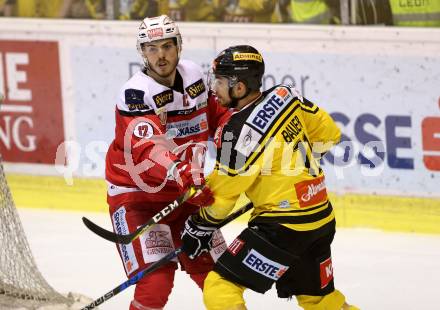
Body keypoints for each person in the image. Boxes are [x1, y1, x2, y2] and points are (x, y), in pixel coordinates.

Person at [181, 45, 359, 310]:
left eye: (218, 81)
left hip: (282, 230)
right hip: (320, 218)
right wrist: (288, 174)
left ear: (238, 87)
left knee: (220, 288)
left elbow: (223, 197)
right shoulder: (286, 95)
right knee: (320, 301)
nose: (213, 88)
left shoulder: (235, 131)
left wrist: (199, 225)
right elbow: (329, 134)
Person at [105, 15, 229, 310]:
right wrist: (183, 171)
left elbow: (218, 116)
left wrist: (240, 142)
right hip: (137, 200)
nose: (160, 55)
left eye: (166, 46)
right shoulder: (135, 94)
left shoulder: (194, 76)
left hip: (186, 194)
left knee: (219, 277)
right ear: (142, 52)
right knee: (156, 283)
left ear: (178, 46)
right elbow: (149, 149)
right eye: (152, 48)